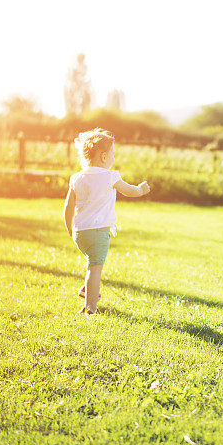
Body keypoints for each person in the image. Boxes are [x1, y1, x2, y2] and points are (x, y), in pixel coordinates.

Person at [63, 128, 151, 314]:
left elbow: (68, 207)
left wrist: (70, 229)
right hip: (98, 231)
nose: (113, 157)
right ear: (104, 157)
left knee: (91, 264)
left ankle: (88, 292)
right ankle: (91, 307)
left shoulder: (76, 178)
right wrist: (141, 189)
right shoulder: (110, 176)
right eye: (112, 153)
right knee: (95, 269)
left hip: (80, 232)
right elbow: (130, 191)